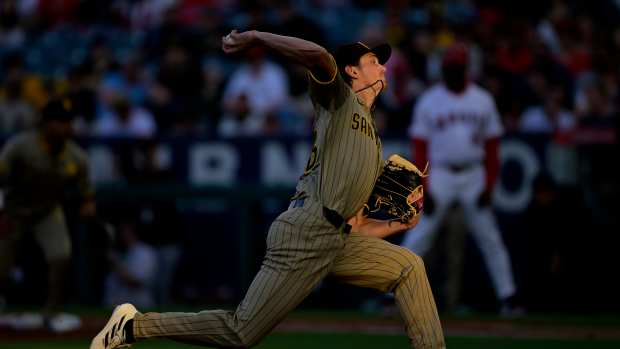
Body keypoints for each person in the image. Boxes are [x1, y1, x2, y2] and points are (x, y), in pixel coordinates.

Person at [91, 30, 445, 349]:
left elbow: (354, 224)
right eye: (373, 61)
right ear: (352, 71)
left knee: (408, 266)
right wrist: (258, 37)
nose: (383, 67)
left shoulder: (373, 139)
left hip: (337, 239)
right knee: (241, 332)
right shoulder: (338, 101)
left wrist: (394, 226)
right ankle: (133, 326)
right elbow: (320, 56)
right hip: (306, 232)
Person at [401, 42, 519, 314]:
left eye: (457, 68)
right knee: (420, 235)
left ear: (466, 69)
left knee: (489, 237)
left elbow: (492, 149)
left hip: (473, 173)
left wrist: (489, 185)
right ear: (443, 69)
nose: (453, 72)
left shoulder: (482, 99)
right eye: (450, 68)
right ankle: (390, 295)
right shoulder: (430, 100)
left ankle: (508, 297)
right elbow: (420, 148)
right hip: (440, 174)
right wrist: (423, 186)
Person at [0, 97, 95, 332]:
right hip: (14, 210)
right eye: (59, 121)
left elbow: (86, 190)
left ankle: (51, 312)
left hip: (47, 211)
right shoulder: (20, 146)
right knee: (2, 266)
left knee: (60, 255)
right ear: (45, 122)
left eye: (68, 121)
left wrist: (87, 203)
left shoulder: (76, 157)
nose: (66, 127)